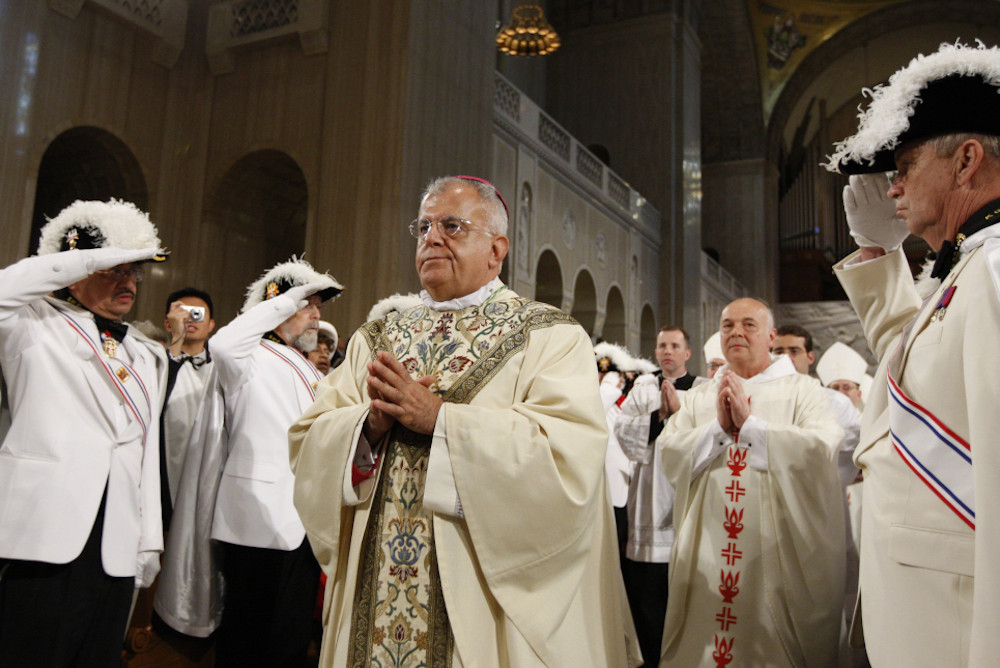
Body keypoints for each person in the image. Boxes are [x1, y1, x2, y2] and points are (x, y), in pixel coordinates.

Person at [289, 175, 638, 667]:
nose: (432, 237)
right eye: (424, 226)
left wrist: (440, 420)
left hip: (478, 597)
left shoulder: (549, 335)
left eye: (452, 225)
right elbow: (309, 439)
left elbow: (567, 458)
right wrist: (367, 428)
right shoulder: (378, 334)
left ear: (497, 250)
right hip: (375, 583)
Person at [826, 40, 1000, 666]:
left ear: (966, 162)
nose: (892, 186)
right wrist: (878, 255)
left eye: (905, 164)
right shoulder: (972, 267)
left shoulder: (997, 267)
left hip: (961, 627)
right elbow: (922, 377)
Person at [0, 199, 168, 666]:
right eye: (115, 269)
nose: (128, 281)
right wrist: (89, 253)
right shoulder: (31, 321)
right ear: (75, 270)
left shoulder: (144, 354)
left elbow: (143, 454)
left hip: (116, 540)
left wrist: (148, 537)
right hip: (44, 531)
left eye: (133, 271)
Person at [155, 258, 342, 668]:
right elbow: (221, 343)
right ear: (275, 306)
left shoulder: (308, 369)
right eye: (307, 304)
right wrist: (285, 297)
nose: (316, 314)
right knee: (249, 646)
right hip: (257, 527)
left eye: (318, 306)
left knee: (288, 647)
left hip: (304, 525)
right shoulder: (247, 356)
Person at [658, 298, 845, 667]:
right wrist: (718, 430)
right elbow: (669, 452)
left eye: (749, 325)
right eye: (727, 325)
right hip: (709, 552)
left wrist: (753, 428)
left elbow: (823, 448)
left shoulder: (803, 391)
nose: (736, 333)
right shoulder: (699, 397)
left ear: (771, 336)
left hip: (776, 556)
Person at [614, 326, 701, 667]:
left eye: (675, 345)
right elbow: (623, 431)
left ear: (686, 353)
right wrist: (661, 415)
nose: (667, 351)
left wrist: (680, 412)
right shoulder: (643, 387)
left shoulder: (701, 389)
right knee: (648, 595)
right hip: (649, 496)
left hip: (683, 492)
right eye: (662, 345)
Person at [160, 287, 216, 525]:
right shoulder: (156, 361)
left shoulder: (221, 368)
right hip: (165, 464)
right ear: (168, 322)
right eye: (183, 313)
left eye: (198, 314)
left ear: (211, 324)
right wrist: (177, 339)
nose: (191, 319)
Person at [815, 341, 868, 411]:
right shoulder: (819, 421)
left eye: (846, 387)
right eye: (835, 388)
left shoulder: (868, 421)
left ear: (858, 394)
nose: (840, 393)